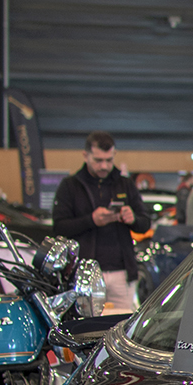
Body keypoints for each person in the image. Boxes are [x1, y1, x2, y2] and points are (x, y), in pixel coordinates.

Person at [50, 131, 150, 310]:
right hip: (85, 274)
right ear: (85, 155)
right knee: (87, 323)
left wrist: (133, 219)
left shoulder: (125, 184)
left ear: (114, 155)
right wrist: (91, 220)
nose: (104, 166)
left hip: (122, 273)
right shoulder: (70, 186)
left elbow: (145, 223)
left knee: (123, 322)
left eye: (109, 160)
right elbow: (59, 228)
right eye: (98, 160)